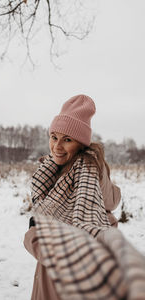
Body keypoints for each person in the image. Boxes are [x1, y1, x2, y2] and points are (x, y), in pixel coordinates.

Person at [24, 94, 122, 300]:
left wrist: (32, 235)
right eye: (54, 137)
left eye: (67, 139)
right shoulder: (51, 171)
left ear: (82, 144)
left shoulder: (89, 172)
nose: (57, 146)